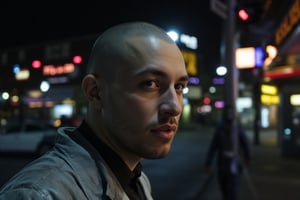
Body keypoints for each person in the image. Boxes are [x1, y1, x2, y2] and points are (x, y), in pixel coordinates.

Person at [0, 21, 189, 199]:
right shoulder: (41, 194)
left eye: (179, 87)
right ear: (95, 92)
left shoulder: (137, 179)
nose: (175, 106)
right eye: (150, 84)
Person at [204, 105, 251, 200]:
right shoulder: (220, 129)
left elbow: (245, 144)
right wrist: (208, 162)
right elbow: (213, 146)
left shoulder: (237, 128)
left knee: (233, 190)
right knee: (224, 189)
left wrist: (247, 158)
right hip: (222, 164)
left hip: (234, 163)